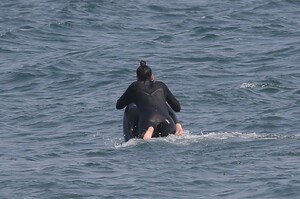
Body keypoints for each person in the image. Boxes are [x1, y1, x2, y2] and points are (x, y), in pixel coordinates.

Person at [116, 60, 183, 140]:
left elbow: (119, 105)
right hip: (167, 121)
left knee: (130, 106)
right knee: (164, 106)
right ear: (152, 76)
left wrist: (134, 99)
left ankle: (151, 129)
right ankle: (177, 125)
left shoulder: (134, 86)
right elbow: (177, 107)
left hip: (147, 123)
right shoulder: (161, 85)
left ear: (137, 77)